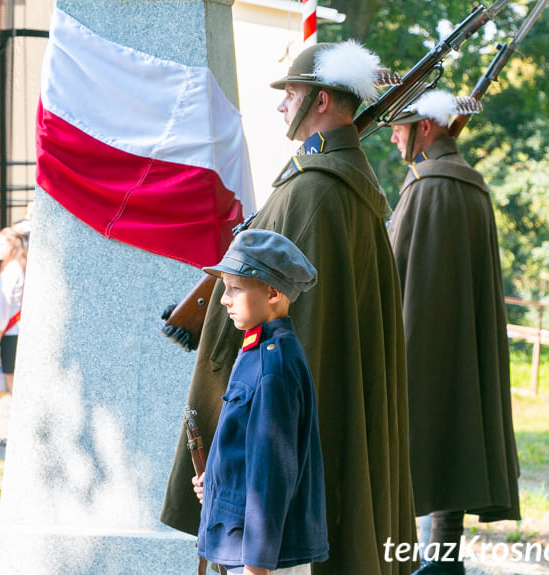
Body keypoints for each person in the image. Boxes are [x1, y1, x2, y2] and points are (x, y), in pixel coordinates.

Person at [161, 42, 416, 575]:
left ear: (320, 101)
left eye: (291, 95)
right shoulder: (336, 180)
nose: (281, 106)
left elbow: (285, 332)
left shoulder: (315, 190)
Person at [386, 90, 521, 575]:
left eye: (401, 125)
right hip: (458, 341)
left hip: (416, 340)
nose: (395, 134)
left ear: (427, 127)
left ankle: (411, 556)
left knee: (414, 434)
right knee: (456, 424)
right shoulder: (471, 184)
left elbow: (392, 269)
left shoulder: (426, 186)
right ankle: (442, 554)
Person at [191, 230, 326, 575]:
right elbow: (248, 451)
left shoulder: (272, 366)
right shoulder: (258, 350)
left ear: (273, 292)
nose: (223, 299)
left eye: (235, 288)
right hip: (246, 547)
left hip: (258, 558)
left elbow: (271, 475)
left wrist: (256, 567)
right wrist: (217, 480)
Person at [0, 227, 26, 394]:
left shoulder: (11, 270)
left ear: (11, 245)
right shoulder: (18, 266)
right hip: (16, 329)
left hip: (10, 331)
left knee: (12, 379)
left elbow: (3, 310)